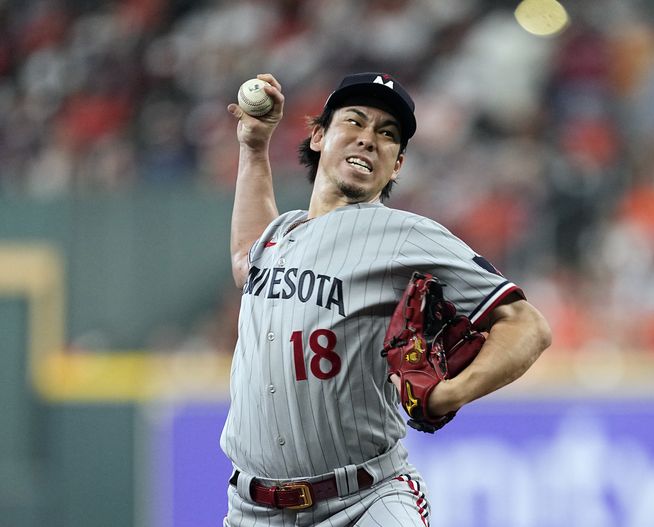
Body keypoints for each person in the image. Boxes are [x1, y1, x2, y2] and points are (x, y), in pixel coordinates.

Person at [221, 71, 552, 527]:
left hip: (365, 500)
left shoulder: (404, 235)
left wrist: (451, 393)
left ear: (396, 165)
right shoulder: (281, 234)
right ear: (318, 136)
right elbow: (247, 258)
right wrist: (254, 148)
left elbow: (527, 323)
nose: (368, 139)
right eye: (353, 122)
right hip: (253, 510)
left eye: (387, 134)